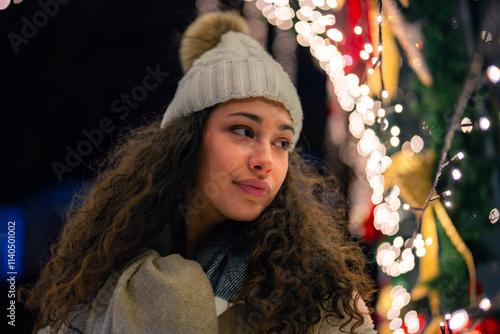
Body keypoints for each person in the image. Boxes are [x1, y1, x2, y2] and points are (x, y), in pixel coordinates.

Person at [21, 11, 377, 334]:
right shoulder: (100, 276)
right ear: (186, 142)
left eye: (282, 143)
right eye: (243, 130)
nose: (265, 159)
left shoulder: (317, 296)